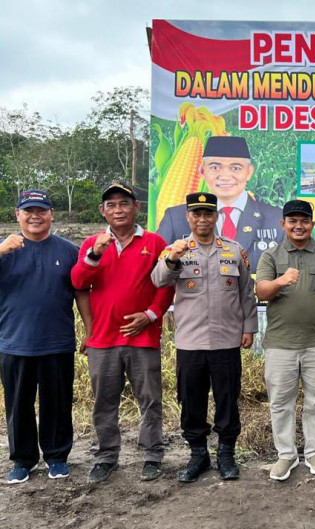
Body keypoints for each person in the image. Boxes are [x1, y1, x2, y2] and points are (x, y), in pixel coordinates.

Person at [71, 182, 174, 484]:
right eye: (111, 205)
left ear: (136, 207)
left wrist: (150, 315)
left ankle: (153, 454)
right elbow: (78, 282)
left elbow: (165, 284)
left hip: (142, 338)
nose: (118, 210)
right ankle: (106, 456)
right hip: (102, 339)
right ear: (103, 211)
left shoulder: (154, 242)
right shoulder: (92, 242)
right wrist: (94, 254)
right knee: (104, 400)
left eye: (124, 203)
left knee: (150, 399)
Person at [151, 192, 257, 482]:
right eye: (196, 214)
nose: (202, 219)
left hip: (226, 341)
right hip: (191, 342)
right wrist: (173, 257)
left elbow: (245, 293)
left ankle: (226, 454)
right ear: (188, 217)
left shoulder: (233, 250)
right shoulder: (177, 250)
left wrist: (249, 328)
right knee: (191, 401)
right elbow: (158, 280)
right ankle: (198, 454)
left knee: (227, 399)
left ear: (216, 217)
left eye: (208, 214)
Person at [0, 190, 91, 484]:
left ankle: (57, 456)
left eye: (41, 210)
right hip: (14, 342)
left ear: (51, 214)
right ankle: (22, 460)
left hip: (57, 342)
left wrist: (90, 330)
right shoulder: (5, 250)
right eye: (28, 211)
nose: (35, 216)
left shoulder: (68, 250)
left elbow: (81, 292)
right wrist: (2, 250)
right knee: (18, 405)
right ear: (17, 215)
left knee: (58, 403)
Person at [256, 199, 315, 481]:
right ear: (283, 224)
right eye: (293, 221)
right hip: (280, 343)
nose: (299, 226)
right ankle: (286, 455)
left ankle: (314, 451)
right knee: (281, 401)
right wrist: (281, 281)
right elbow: (261, 291)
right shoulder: (270, 256)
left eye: (304, 220)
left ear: (312, 224)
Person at [157, 136, 283, 274]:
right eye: (215, 167)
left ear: (249, 172)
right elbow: (157, 271)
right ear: (202, 171)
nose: (225, 176)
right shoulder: (175, 217)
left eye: (236, 168)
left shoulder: (276, 218)